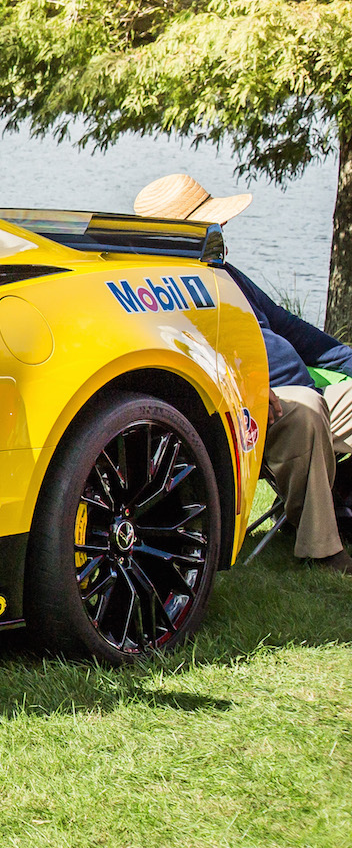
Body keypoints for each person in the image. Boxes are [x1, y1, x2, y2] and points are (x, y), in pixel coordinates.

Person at [136, 174, 352, 572]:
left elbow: (291, 328)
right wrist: (248, 387)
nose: (222, 228)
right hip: (253, 411)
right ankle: (323, 550)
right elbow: (182, 359)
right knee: (306, 409)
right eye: (212, 224)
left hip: (299, 393)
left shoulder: (226, 274)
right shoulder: (162, 291)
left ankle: (340, 503)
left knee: (319, 401)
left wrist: (347, 359)